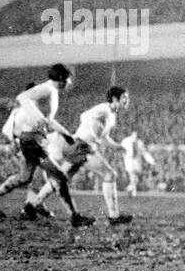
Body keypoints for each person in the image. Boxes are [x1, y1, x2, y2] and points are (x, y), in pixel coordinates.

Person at [0, 64, 94, 226]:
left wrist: (67, 136)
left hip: (32, 139)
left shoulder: (51, 92)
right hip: (33, 140)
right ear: (60, 79)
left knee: (25, 178)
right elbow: (22, 97)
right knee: (59, 176)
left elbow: (50, 121)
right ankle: (74, 216)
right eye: (68, 79)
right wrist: (39, 117)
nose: (70, 82)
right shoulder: (48, 89)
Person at [29, 86, 132, 225]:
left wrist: (118, 146)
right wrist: (92, 137)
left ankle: (33, 204)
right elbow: (84, 115)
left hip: (80, 146)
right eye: (125, 97)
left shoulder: (111, 115)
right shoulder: (104, 109)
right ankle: (114, 216)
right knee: (109, 174)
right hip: (82, 146)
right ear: (115, 99)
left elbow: (105, 138)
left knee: (62, 177)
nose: (127, 100)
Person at [120, 131, 156, 197]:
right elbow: (121, 149)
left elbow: (144, 152)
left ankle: (131, 189)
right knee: (132, 174)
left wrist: (151, 161)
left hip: (137, 160)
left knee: (135, 176)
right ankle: (133, 191)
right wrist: (123, 157)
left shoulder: (139, 142)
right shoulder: (125, 141)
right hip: (129, 159)